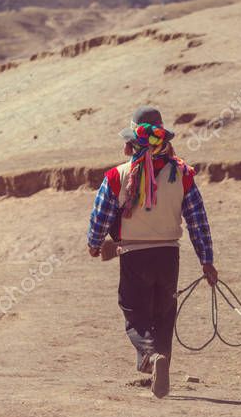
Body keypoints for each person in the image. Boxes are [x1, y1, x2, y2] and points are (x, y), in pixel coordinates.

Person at [87, 105, 218, 398]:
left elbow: (101, 216)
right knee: (164, 315)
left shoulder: (117, 176)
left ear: (132, 141)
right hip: (169, 257)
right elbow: (198, 221)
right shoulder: (182, 174)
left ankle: (149, 357)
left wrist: (95, 243)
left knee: (134, 311)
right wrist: (206, 261)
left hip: (133, 256)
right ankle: (162, 367)